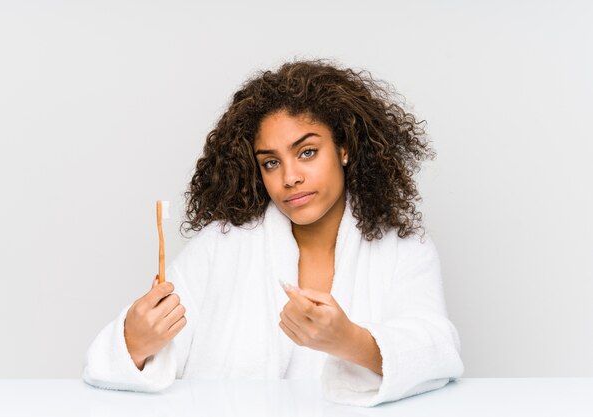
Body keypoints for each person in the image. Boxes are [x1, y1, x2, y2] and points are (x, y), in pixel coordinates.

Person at [82, 58, 464, 407]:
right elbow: (122, 358)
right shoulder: (221, 246)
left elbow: (437, 351)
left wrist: (350, 341)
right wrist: (134, 341)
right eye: (270, 162)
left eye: (308, 152)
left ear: (344, 149)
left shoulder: (403, 250)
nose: (290, 177)